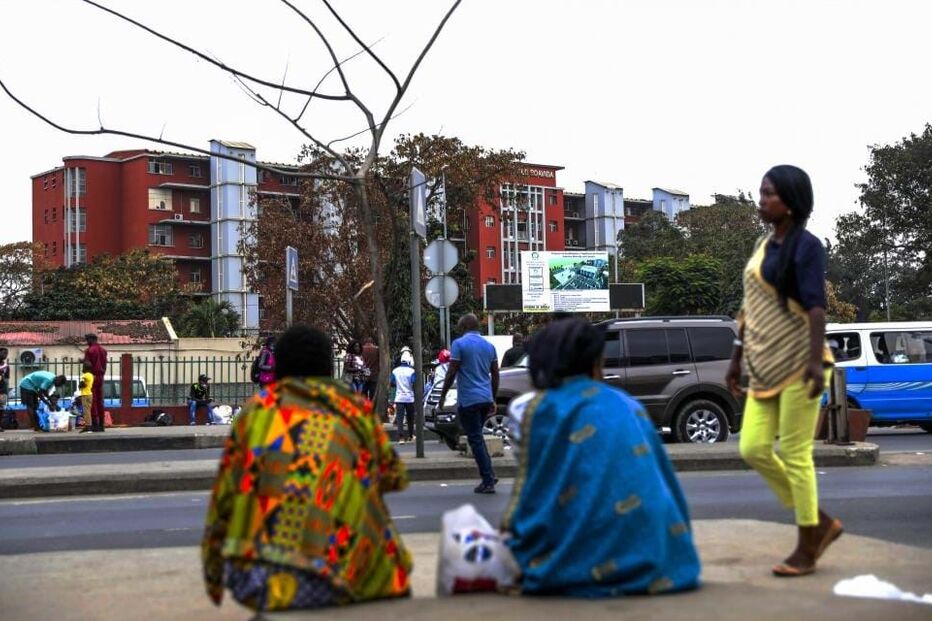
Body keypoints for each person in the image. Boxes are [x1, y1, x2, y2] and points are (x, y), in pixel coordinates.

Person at [202, 323, 411, 612]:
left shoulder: (255, 413)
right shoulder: (353, 409)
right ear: (328, 368)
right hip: (349, 579)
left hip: (261, 581)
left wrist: (213, 574)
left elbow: (223, 500)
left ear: (279, 368)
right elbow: (393, 478)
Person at [502, 318, 701, 597]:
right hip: (662, 554)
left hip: (575, 555)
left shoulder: (534, 409)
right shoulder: (628, 403)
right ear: (595, 362)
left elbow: (535, 491)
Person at [726, 165, 841, 578]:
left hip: (800, 364)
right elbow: (750, 309)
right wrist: (736, 358)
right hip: (763, 366)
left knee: (794, 455)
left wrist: (813, 361)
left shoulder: (807, 247)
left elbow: (816, 307)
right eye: (761, 192)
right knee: (753, 448)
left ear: (790, 202)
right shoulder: (763, 246)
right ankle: (820, 521)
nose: (761, 200)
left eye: (769, 193)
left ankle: (808, 543)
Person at [438, 314, 499, 494]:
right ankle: (489, 474)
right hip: (485, 398)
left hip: (469, 400)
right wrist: (493, 398)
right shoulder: (489, 346)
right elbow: (495, 374)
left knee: (475, 439)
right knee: (477, 437)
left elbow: (451, 372)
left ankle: (488, 479)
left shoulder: (459, 344)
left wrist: (443, 395)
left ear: (463, 327)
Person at [82, 333, 107, 432]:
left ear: (91, 339)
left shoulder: (89, 350)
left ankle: (95, 424)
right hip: (100, 376)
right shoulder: (103, 350)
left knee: (92, 401)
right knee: (100, 400)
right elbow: (104, 365)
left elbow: (87, 365)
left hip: (91, 376)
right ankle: (101, 424)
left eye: (87, 340)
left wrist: (83, 363)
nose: (87, 342)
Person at [390, 353, 416, 444]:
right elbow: (414, 382)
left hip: (399, 398)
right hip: (409, 398)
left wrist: (399, 384)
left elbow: (392, 382)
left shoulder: (395, 371)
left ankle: (401, 438)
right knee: (410, 418)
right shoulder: (412, 371)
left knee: (400, 418)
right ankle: (410, 436)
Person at [361, 336, 380, 401]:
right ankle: (372, 404)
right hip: (374, 374)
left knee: (364, 391)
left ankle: (365, 404)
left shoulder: (361, 349)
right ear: (372, 342)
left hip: (364, 373)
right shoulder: (377, 349)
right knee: (373, 391)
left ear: (365, 342)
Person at [78, 361, 95, 433]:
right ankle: (87, 426)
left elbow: (82, 384)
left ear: (85, 368)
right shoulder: (91, 375)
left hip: (85, 395)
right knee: (87, 411)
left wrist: (80, 385)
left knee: (86, 412)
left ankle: (89, 427)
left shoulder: (85, 375)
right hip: (90, 394)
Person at [0, 348, 9, 432]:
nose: (5, 355)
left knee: (1, 408)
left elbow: (7, 378)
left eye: (6, 353)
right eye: (3, 353)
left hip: (2, 389)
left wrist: (3, 378)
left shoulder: (6, 366)